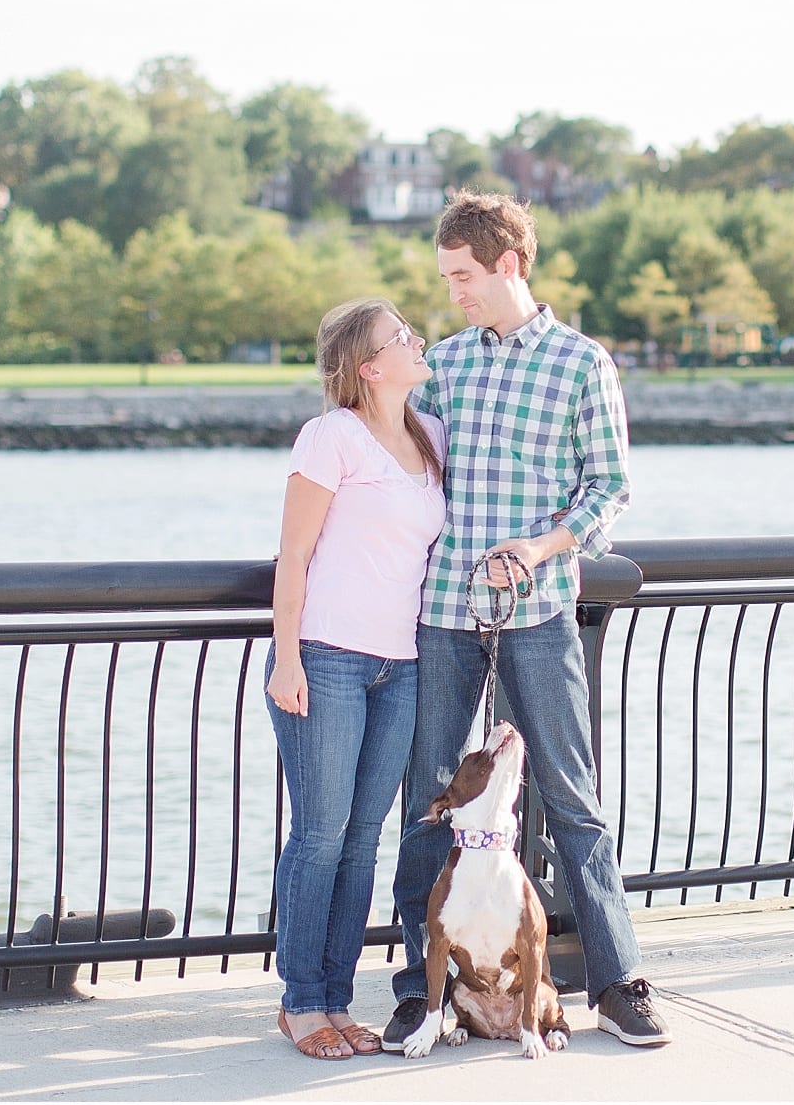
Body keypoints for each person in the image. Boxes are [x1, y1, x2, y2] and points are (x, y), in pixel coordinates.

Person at [382, 192, 671, 1051]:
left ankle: (619, 983)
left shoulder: (583, 364)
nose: (454, 293)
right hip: (439, 613)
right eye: (446, 278)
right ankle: (418, 988)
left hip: (540, 611)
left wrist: (542, 547)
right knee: (425, 804)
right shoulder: (445, 364)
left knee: (573, 800)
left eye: (463, 276)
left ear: (508, 264)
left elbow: (610, 488)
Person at [264, 298, 445, 1061]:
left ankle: (337, 998)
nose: (416, 338)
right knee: (319, 836)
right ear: (369, 366)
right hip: (327, 659)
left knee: (364, 838)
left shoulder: (429, 434)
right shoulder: (331, 435)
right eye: (400, 336)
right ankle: (302, 1001)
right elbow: (294, 555)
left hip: (398, 665)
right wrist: (288, 656)